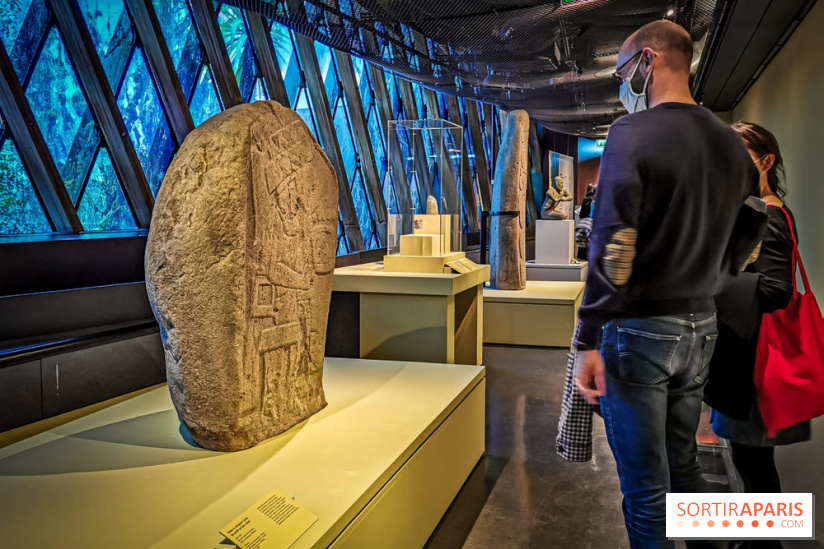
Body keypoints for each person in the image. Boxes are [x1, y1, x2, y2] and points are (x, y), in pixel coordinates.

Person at [573, 20, 766, 549]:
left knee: (644, 489)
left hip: (638, 329)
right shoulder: (729, 143)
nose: (622, 82)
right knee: (683, 465)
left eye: (622, 71)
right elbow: (754, 222)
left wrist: (587, 337)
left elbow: (613, 243)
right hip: (700, 326)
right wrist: (713, 277)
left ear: (648, 61)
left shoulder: (630, 134)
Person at [704, 122, 810, 549]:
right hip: (745, 355)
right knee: (751, 463)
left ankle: (766, 545)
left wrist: (712, 280)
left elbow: (775, 291)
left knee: (756, 466)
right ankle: (756, 541)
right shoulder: (749, 208)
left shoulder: (770, 215)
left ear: (765, 162)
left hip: (757, 362)